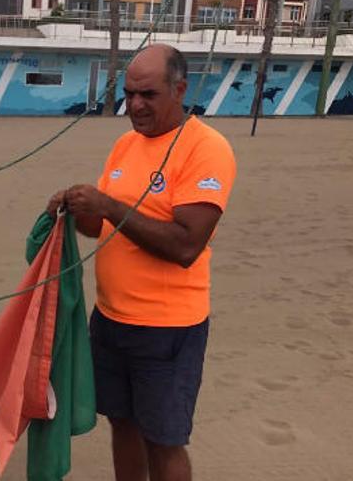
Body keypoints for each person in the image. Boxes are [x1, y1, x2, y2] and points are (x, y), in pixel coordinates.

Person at [47, 44, 236, 481]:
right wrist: (75, 209)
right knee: (122, 422)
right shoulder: (125, 144)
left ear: (179, 88)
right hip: (111, 319)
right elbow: (100, 227)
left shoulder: (206, 148)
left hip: (168, 329)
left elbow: (186, 245)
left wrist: (109, 205)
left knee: (164, 439)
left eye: (148, 94)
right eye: (129, 93)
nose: (134, 105)